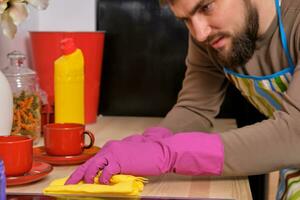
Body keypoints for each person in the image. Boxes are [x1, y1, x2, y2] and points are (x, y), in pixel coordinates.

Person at [66, 0, 300, 199]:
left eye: (207, 6)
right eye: (185, 19)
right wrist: (152, 142)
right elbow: (195, 108)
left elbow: (294, 134)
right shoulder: (210, 36)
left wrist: (167, 154)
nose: (199, 33)